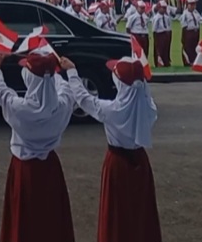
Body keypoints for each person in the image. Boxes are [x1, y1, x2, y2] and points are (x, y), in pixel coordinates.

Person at [65, 56, 161, 242]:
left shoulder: (111, 110)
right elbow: (143, 94)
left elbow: (84, 99)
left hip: (117, 163)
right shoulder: (149, 108)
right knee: (141, 210)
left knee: (117, 210)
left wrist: (72, 71)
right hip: (140, 160)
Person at [0, 47, 76, 242]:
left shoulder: (19, 108)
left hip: (24, 168)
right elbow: (66, 88)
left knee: (24, 221)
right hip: (50, 167)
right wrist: (62, 71)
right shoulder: (62, 106)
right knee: (51, 219)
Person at [179, 0, 202, 66]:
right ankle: (188, 61)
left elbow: (200, 20)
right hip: (189, 32)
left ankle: (194, 60)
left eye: (194, 4)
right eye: (191, 4)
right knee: (188, 47)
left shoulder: (196, 12)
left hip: (196, 31)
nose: (193, 6)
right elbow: (183, 25)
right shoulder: (185, 14)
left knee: (194, 47)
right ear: (187, 5)